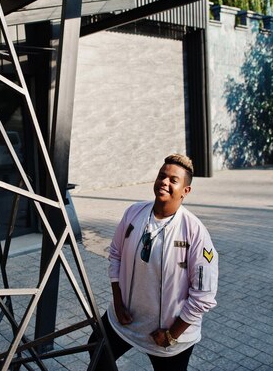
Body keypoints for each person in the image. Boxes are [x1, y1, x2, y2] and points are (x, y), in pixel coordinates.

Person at [89, 154, 218, 371]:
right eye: (161, 176)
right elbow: (115, 254)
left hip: (166, 335)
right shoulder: (133, 213)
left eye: (173, 180)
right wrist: (118, 303)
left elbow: (204, 295)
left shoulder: (195, 232)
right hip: (125, 320)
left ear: (185, 191)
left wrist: (172, 334)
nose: (164, 182)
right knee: (96, 349)